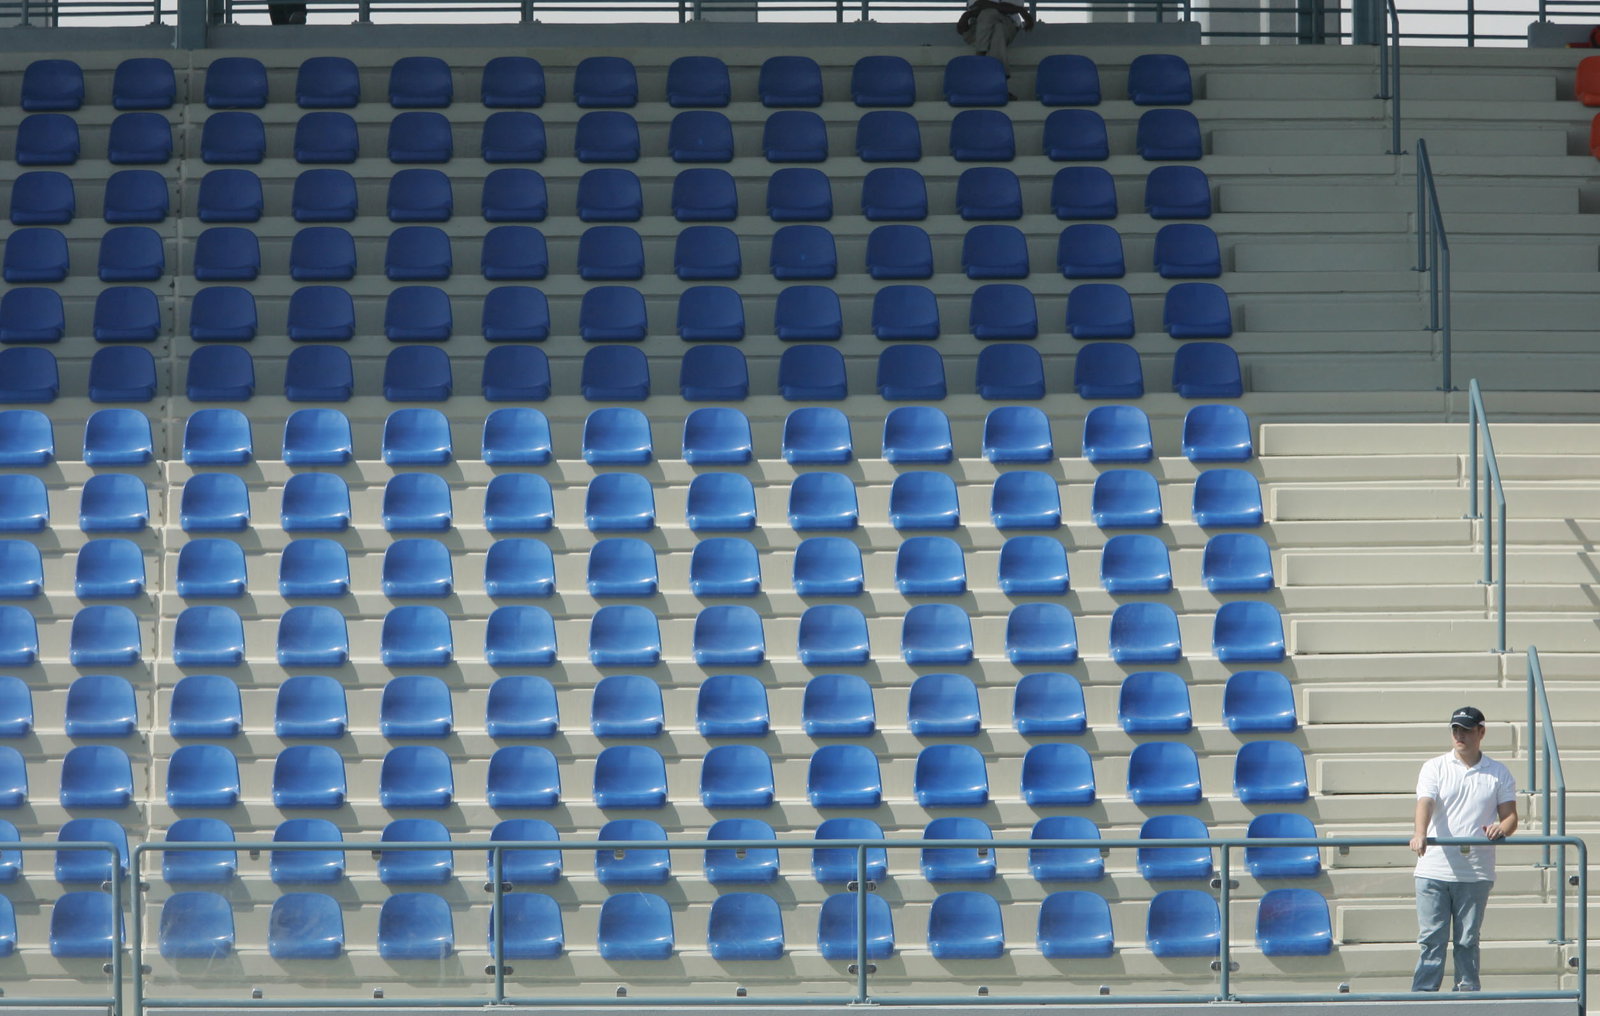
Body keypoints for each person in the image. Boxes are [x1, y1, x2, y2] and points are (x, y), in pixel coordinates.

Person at [1408, 706, 1518, 992]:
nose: (1459, 735)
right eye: (1456, 729)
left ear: (1481, 732)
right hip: (1433, 868)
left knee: (1468, 940)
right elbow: (1426, 802)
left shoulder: (1498, 772)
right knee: (1431, 939)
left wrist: (1501, 829)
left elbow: (1510, 817)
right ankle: (1422, 1001)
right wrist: (1420, 833)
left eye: (1466, 730)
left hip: (1475, 872)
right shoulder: (1434, 766)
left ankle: (1467, 999)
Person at [956, 0, 1036, 77]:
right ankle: (1001, 77)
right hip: (978, 26)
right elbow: (978, 4)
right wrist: (1020, 10)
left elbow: (1009, 8)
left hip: (1007, 23)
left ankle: (980, 55)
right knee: (998, 29)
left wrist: (988, 5)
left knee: (988, 12)